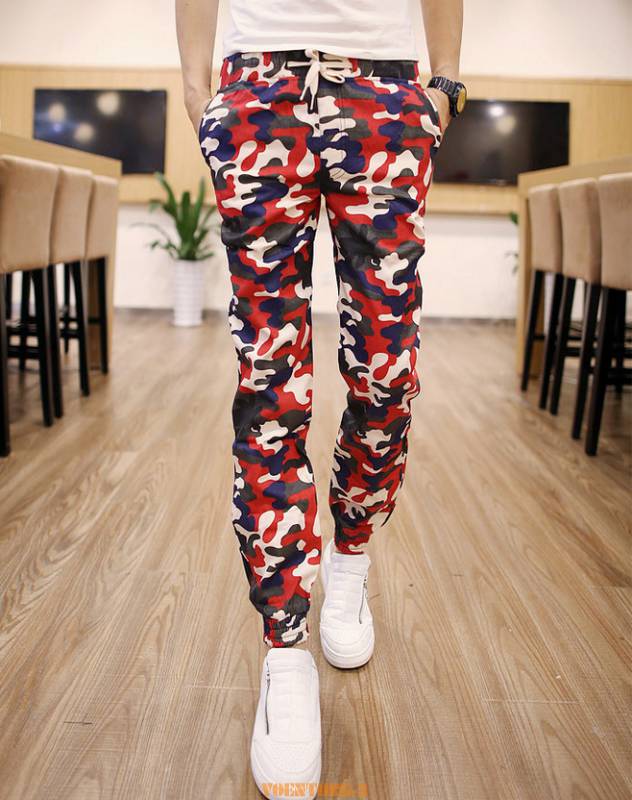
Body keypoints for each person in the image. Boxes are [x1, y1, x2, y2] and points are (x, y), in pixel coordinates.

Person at [176, 1, 465, 796]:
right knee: (269, 383)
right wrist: (199, 92)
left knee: (386, 370)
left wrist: (443, 85)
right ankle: (285, 651)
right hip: (258, 90)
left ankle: (350, 553)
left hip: (384, 97)